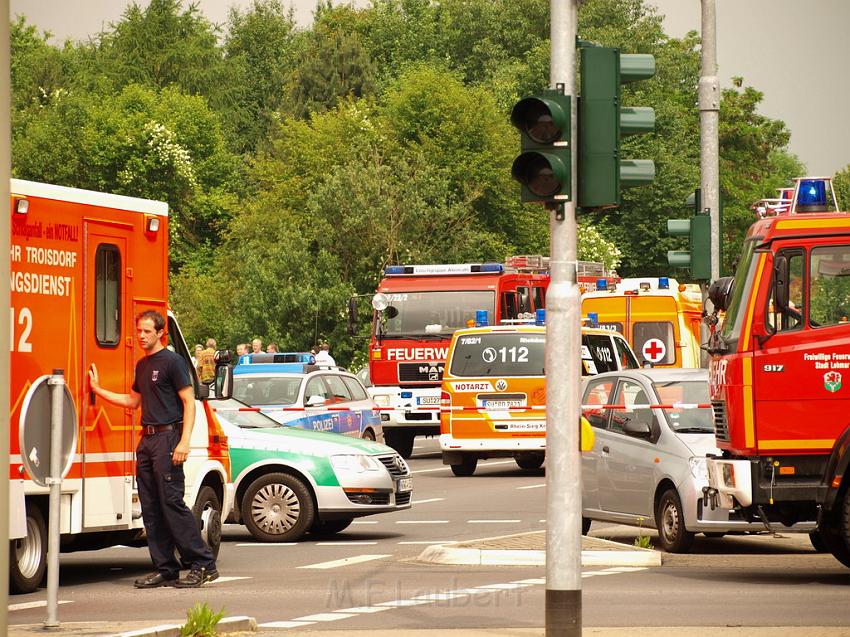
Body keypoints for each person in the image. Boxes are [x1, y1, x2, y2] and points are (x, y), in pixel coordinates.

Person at [88, 310, 219, 588]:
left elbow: (189, 402)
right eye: (139, 331)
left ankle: (203, 564)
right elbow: (133, 401)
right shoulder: (143, 365)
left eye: (147, 331)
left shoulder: (173, 362)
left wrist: (184, 441)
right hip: (146, 441)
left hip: (168, 439)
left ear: (161, 333)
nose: (141, 335)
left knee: (172, 503)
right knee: (150, 507)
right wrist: (98, 390)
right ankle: (166, 568)